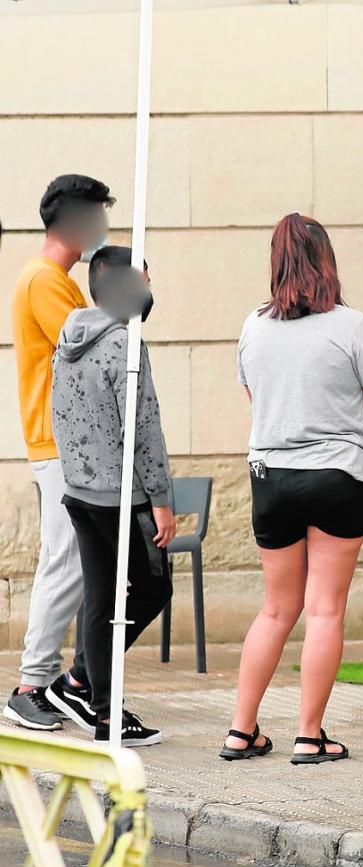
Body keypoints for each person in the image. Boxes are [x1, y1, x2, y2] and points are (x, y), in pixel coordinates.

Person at [221, 214, 363, 765]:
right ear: (327, 259)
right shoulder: (351, 326)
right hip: (338, 475)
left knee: (276, 610)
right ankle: (309, 734)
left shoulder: (254, 326)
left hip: (271, 478)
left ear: (275, 262)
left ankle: (239, 731)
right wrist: (359, 456)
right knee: (324, 609)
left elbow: (258, 398)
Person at [47, 247, 171, 747]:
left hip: (81, 491)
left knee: (101, 599)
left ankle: (84, 688)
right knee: (151, 590)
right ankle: (99, 703)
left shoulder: (69, 336)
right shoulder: (125, 343)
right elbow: (144, 427)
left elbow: (58, 409)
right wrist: (160, 497)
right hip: (123, 498)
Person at [6, 174, 113, 731]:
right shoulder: (45, 280)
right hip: (60, 445)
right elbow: (85, 343)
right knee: (66, 561)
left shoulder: (55, 278)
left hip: (70, 445)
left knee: (75, 561)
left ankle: (59, 681)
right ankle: (31, 684)